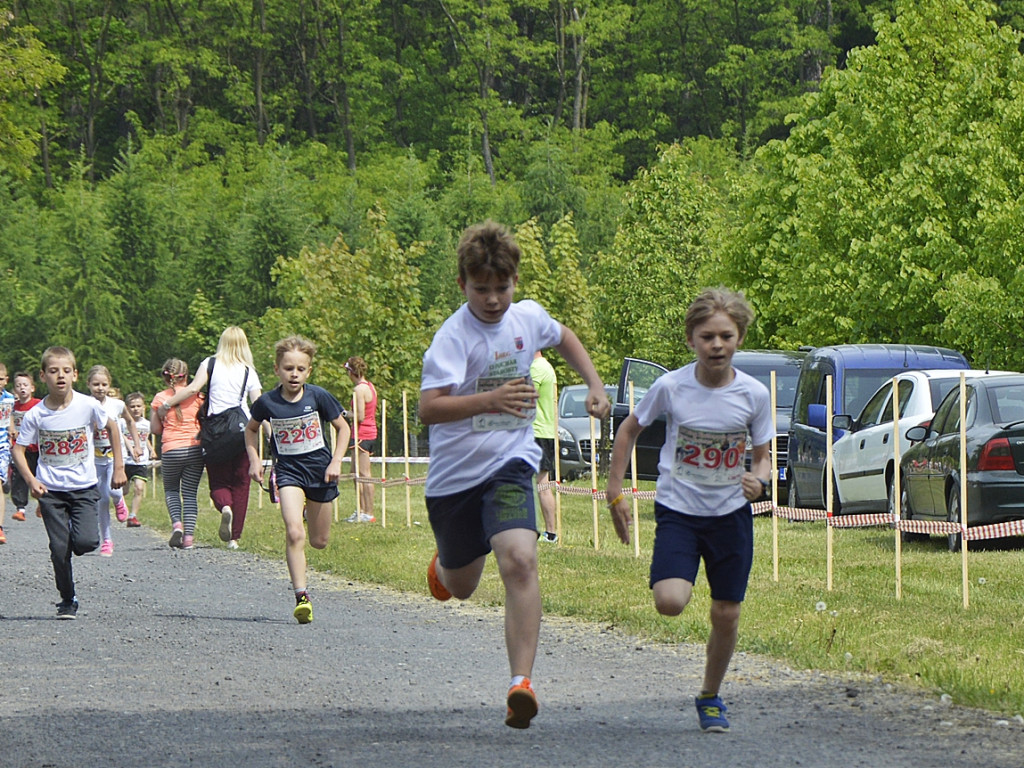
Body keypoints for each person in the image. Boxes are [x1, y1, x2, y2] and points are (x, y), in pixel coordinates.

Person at [419, 220, 610, 729]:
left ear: (515, 281)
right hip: (455, 479)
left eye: (501, 288)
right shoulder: (452, 338)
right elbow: (429, 409)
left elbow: (564, 337)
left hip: (511, 463)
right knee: (462, 586)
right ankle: (444, 568)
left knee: (521, 560)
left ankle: (520, 684)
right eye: (481, 289)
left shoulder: (527, 318)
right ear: (462, 284)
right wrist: (491, 399)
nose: (492, 300)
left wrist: (593, 384)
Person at [604, 288, 773, 734]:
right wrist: (615, 490)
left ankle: (710, 695)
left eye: (726, 336)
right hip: (679, 511)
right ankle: (682, 572)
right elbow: (628, 430)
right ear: (691, 340)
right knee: (670, 602)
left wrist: (760, 481)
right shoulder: (671, 387)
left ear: (739, 338)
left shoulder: (754, 394)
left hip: (730, 515)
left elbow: (763, 456)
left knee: (727, 612)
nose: (716, 345)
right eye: (707, 337)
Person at [12, 346, 127, 618]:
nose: (60, 376)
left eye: (66, 371)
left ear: (75, 375)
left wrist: (119, 467)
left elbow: (112, 427)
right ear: (43, 376)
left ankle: (74, 536)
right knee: (58, 548)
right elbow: (18, 450)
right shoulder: (36, 414)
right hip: (50, 491)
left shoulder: (88, 405)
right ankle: (67, 599)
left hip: (84, 487)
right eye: (53, 371)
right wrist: (31, 480)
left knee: (87, 542)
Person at [245, 336, 351, 624]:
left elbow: (343, 428)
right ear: (277, 369)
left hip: (320, 472)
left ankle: (308, 511)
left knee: (319, 541)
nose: (294, 374)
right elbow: (250, 430)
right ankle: (301, 597)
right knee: (294, 533)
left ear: (309, 371)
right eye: (288, 368)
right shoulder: (267, 402)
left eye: (300, 369)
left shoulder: (318, 397)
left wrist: (336, 461)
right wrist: (254, 459)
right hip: (289, 472)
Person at [156, 327, 262, 549]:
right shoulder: (249, 371)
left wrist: (167, 404)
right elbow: (259, 406)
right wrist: (271, 434)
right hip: (242, 431)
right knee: (241, 484)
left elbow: (193, 389)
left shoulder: (210, 363)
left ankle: (225, 506)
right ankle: (234, 538)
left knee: (219, 481)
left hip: (215, 432)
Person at [87, 365, 142, 556]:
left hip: (114, 457)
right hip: (94, 458)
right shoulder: (84, 405)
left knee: (114, 490)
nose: (100, 388)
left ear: (109, 384)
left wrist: (136, 445)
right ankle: (107, 541)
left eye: (104, 384)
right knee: (102, 500)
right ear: (88, 384)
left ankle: (119, 501)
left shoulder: (116, 405)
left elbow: (130, 421)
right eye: (96, 384)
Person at [150, 359, 205, 550]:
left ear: (165, 377)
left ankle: (177, 525)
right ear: (187, 376)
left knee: (171, 490)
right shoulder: (199, 397)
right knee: (189, 494)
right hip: (194, 448)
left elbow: (155, 429)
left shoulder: (159, 398)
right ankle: (188, 538)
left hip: (171, 450)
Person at [529, 350, 558, 543]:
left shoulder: (536, 368)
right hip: (544, 431)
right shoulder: (545, 366)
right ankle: (548, 532)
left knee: (541, 484)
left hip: (537, 431)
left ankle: (550, 532)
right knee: (541, 483)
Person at [344, 356, 377, 524]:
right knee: (355, 472)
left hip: (362, 434)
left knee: (363, 474)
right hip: (367, 432)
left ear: (351, 372)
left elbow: (360, 415)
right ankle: (361, 509)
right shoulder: (370, 386)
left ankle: (367, 512)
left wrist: (344, 413)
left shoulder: (359, 390)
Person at [10, 371, 42, 522]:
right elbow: (9, 422)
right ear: (15, 389)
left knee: (40, 475)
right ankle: (20, 508)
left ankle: (42, 503)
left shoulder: (38, 404)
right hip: (20, 449)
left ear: (32, 388)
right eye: (18, 386)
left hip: (37, 447)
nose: (22, 388)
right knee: (19, 476)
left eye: (25, 385)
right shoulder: (13, 407)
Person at [120, 392, 152, 528]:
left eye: (139, 406)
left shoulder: (147, 424)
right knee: (124, 491)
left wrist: (151, 449)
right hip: (125, 460)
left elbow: (145, 439)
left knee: (139, 488)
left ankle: (132, 516)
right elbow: (120, 436)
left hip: (140, 461)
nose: (136, 409)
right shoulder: (122, 423)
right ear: (127, 408)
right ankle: (120, 507)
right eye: (132, 406)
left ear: (144, 407)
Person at [0, 363, 12, 543]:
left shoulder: (10, 399)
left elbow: (11, 417)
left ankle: (0, 527)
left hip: (2, 445)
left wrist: (13, 429)